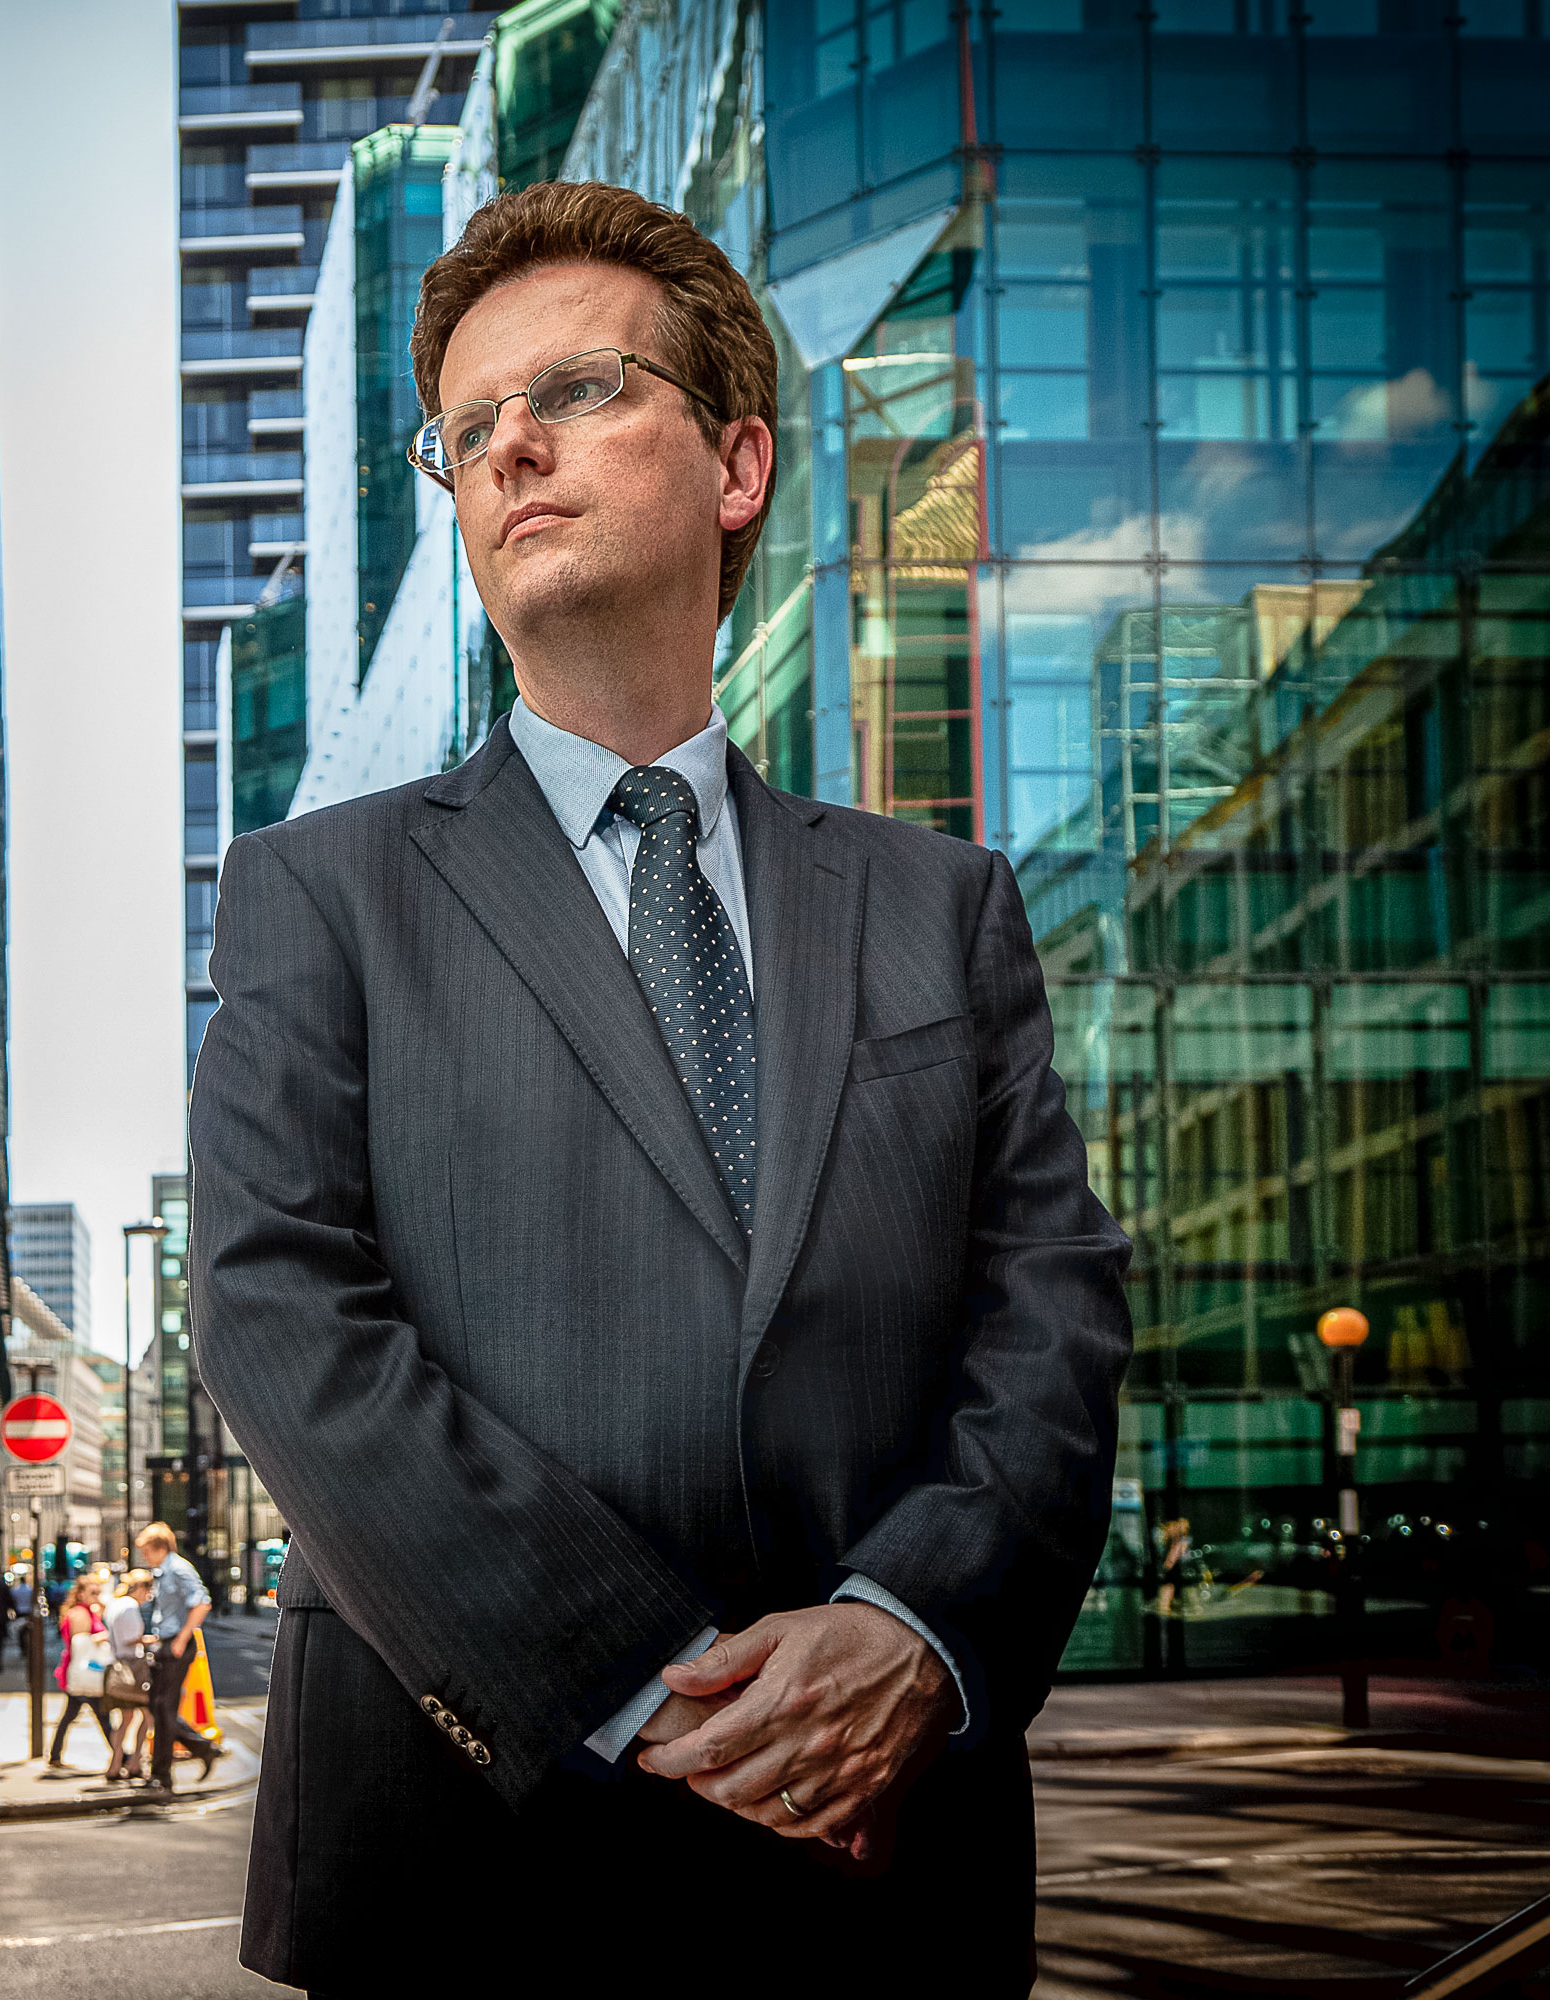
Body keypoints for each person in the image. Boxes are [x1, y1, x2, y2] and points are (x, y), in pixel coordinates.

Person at [188, 178, 1133, 1994]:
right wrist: (658, 1691)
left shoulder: (944, 906)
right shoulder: (320, 892)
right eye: (469, 428)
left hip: (891, 1866)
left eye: (583, 389)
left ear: (739, 465)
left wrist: (910, 1635)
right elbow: (276, 1310)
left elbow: (1054, 1315)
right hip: (473, 1860)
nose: (512, 446)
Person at [134, 1524, 221, 1791]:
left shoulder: (179, 1568)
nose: (145, 1557)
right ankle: (198, 1749)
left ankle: (163, 1775)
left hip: (176, 1647)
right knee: (158, 1708)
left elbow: (202, 1602)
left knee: (164, 1709)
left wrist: (182, 1639)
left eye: (147, 1551)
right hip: (166, 1644)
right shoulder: (164, 1571)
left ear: (160, 1547)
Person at [45, 1576, 118, 1773]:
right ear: (81, 1594)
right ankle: (122, 1756)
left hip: (81, 1673)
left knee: (71, 1715)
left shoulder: (87, 1611)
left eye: (98, 1592)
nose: (97, 1597)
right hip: (84, 1673)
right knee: (103, 1717)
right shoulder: (79, 1614)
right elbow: (82, 1643)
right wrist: (107, 1635)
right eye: (93, 1593)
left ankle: (54, 1755)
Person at [103, 1570, 154, 1782]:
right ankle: (134, 1762)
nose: (148, 1597)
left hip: (117, 1665)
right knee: (149, 1716)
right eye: (148, 1591)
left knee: (125, 1718)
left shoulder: (114, 1603)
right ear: (141, 1587)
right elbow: (131, 1638)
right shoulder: (131, 1606)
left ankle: (115, 1765)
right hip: (133, 1668)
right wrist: (151, 1640)